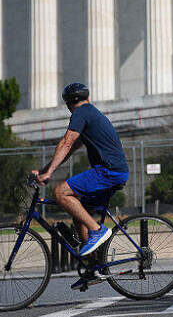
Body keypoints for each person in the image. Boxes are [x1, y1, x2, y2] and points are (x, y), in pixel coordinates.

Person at [31, 83, 129, 279]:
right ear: (87, 97)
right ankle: (94, 267)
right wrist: (45, 170)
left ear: (68, 104)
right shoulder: (90, 113)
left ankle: (97, 231)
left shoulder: (81, 113)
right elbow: (71, 148)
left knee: (60, 193)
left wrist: (48, 174)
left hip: (108, 171)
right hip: (113, 171)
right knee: (78, 212)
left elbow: (65, 142)